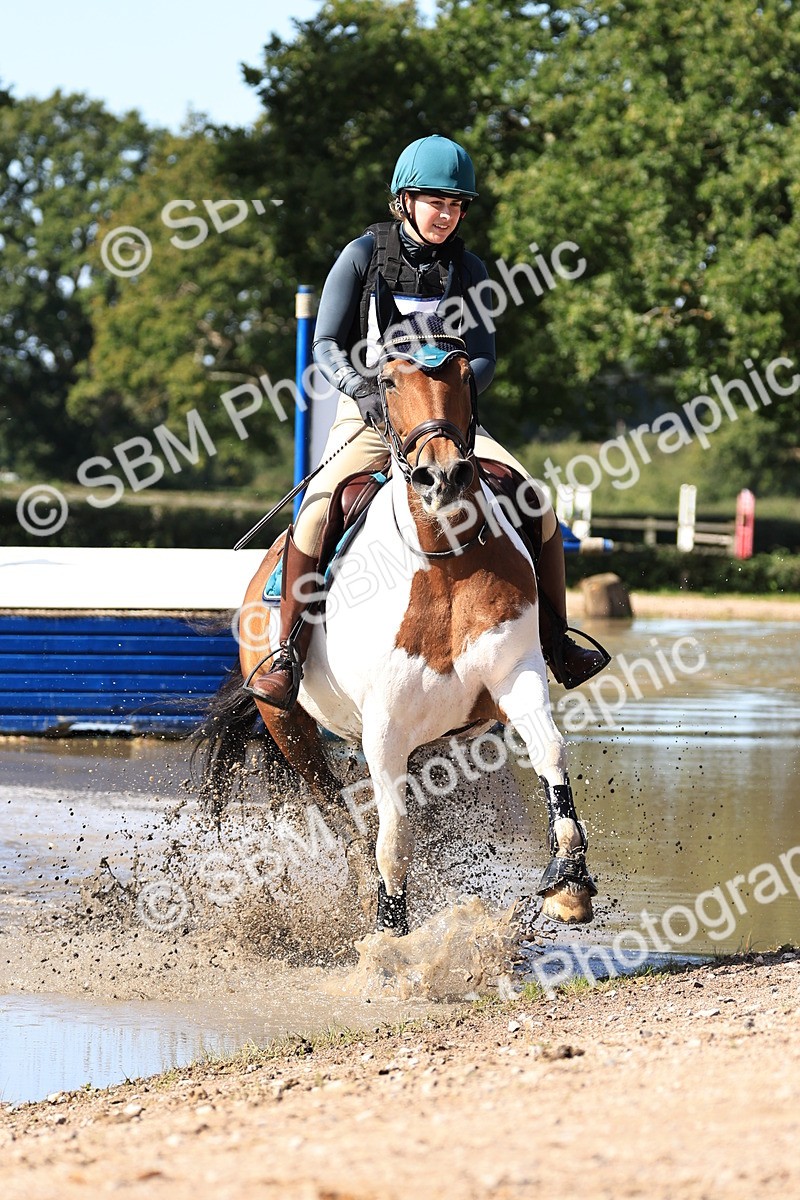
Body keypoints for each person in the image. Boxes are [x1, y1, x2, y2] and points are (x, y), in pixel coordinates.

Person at [246, 135, 609, 709]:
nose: (447, 215)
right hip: (370, 412)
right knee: (317, 511)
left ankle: (558, 642)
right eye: (436, 202)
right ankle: (286, 656)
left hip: (448, 419)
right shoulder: (362, 256)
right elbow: (325, 342)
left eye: (457, 205)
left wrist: (456, 396)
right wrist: (360, 389)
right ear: (404, 201)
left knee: (537, 503)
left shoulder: (468, 268)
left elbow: (486, 355)